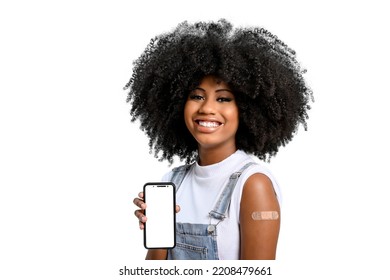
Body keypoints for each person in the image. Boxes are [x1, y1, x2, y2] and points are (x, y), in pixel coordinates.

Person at [126, 19, 312, 260]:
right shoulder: (172, 181)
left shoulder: (253, 185)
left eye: (223, 98)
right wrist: (159, 232)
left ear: (247, 109)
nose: (207, 109)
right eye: (196, 96)